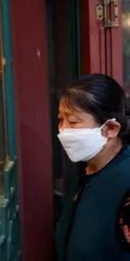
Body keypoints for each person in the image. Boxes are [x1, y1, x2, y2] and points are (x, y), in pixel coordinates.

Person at [55, 74, 130, 261]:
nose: (63, 130)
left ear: (111, 129)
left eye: (73, 121)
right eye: (60, 120)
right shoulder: (86, 171)